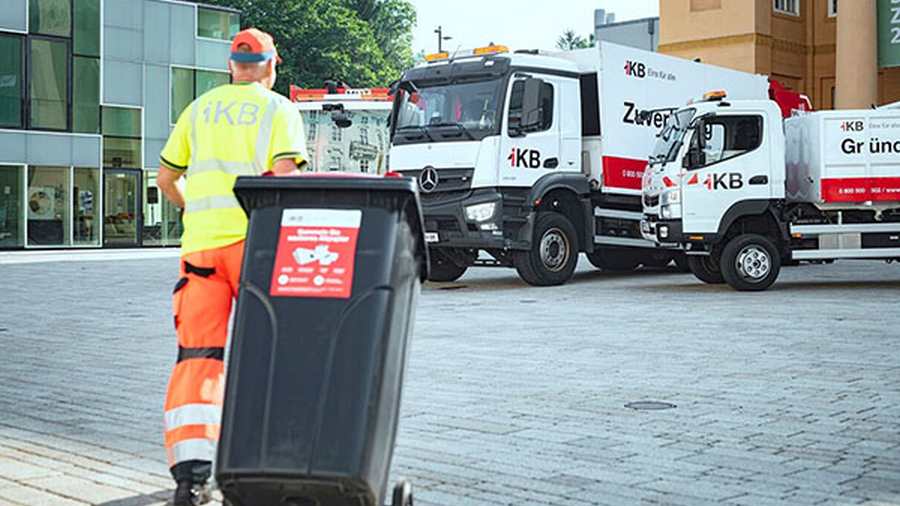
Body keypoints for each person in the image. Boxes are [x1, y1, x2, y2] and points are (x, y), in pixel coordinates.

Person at [156, 27, 307, 506]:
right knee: (274, 350)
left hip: (200, 251)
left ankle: (192, 479)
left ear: (230, 66)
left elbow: (166, 177)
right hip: (255, 246)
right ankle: (273, 464)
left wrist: (190, 208)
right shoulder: (278, 108)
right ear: (272, 65)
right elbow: (285, 178)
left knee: (198, 359)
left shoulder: (197, 109)